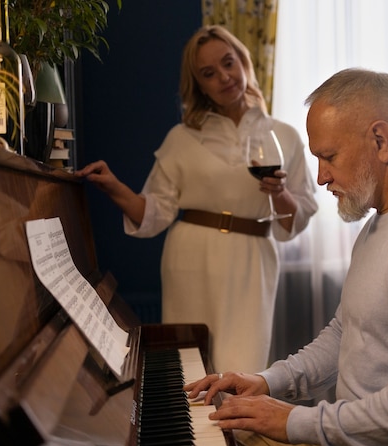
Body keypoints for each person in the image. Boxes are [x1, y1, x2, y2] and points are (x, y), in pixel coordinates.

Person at [185, 68, 388, 446]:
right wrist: (267, 381)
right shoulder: (382, 220)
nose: (320, 177)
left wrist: (296, 421)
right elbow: (348, 334)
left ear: (381, 139)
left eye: (328, 156)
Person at [76, 25, 318, 374]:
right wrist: (114, 186)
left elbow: (296, 220)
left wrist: (279, 194)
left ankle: (237, 430)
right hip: (189, 258)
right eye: (209, 73)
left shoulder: (285, 136)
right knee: (191, 366)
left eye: (228, 63)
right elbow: (156, 211)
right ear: (199, 84)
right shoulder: (182, 137)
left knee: (242, 370)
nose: (224, 76)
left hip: (252, 260)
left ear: (243, 62)